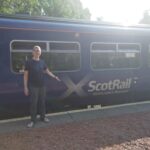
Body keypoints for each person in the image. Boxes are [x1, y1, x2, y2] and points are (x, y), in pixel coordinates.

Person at [24, 45, 60, 128]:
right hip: (33, 86)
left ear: (40, 52)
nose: (37, 52)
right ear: (32, 52)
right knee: (34, 104)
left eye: (38, 50)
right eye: (35, 50)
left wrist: (54, 77)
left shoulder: (42, 62)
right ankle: (33, 120)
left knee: (42, 103)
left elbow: (47, 71)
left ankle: (43, 117)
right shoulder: (28, 62)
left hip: (42, 86)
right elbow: (25, 75)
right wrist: (25, 87)